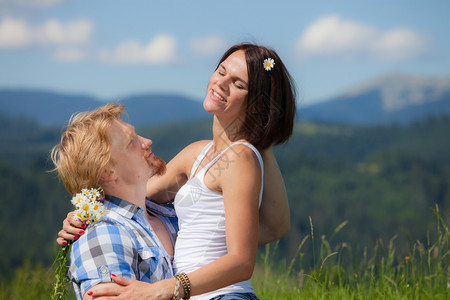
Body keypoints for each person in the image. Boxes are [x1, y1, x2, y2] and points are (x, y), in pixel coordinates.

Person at [59, 43, 296, 299]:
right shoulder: (198, 154)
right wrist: (86, 212)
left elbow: (243, 260)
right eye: (221, 71)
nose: (221, 83)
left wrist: (164, 289)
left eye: (239, 84)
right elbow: (133, 194)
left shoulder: (240, 157)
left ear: (256, 103)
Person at [51, 103, 179, 300]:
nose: (146, 142)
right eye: (132, 142)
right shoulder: (103, 234)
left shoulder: (168, 211)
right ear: (107, 172)